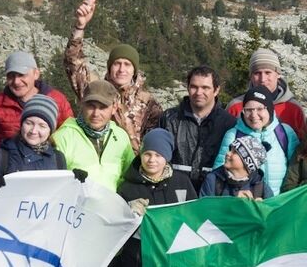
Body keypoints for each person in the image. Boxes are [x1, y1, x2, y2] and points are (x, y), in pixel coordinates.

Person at [64, 0, 162, 153]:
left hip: (131, 167)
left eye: (127, 64)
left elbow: (155, 140)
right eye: (117, 63)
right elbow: (72, 62)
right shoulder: (94, 89)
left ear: (134, 70)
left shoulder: (148, 102)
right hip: (95, 161)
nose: (122, 69)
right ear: (109, 67)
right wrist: (80, 27)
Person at [0, 51, 73, 181]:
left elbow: (70, 140)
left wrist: (72, 177)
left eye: (22, 75)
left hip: (46, 172)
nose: (16, 81)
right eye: (11, 76)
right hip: (6, 174)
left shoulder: (58, 100)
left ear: (36, 74)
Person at [115, 129, 197, 267]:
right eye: (147, 154)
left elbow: (195, 215)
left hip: (176, 256)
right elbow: (117, 224)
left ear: (167, 156)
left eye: (158, 155)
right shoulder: (127, 187)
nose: (152, 160)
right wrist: (128, 210)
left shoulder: (182, 182)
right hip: (139, 258)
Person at [158, 66, 236, 191]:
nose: (199, 92)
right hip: (175, 192)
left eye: (205, 87)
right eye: (194, 87)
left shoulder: (229, 123)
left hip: (213, 195)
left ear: (216, 90)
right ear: (188, 88)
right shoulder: (169, 119)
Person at [213, 86, 299, 196]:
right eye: (248, 110)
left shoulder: (285, 133)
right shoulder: (233, 135)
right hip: (245, 206)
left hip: (278, 206)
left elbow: (295, 172)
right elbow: (218, 176)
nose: (254, 115)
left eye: (260, 109)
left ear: (269, 109)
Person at [52, 80, 135, 192]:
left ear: (114, 108)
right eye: (91, 106)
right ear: (82, 104)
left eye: (103, 107)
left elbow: (130, 177)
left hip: (111, 206)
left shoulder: (121, 137)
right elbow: (54, 182)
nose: (96, 113)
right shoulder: (63, 136)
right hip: (75, 206)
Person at [226, 48, 306, 140]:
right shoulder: (236, 107)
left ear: (278, 74)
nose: (262, 79)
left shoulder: (293, 109)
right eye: (257, 73)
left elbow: (303, 148)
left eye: (268, 73)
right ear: (250, 76)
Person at [0, 94, 67, 179]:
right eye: (29, 123)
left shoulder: (58, 159)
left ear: (50, 130)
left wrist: (75, 181)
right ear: (21, 124)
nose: (33, 131)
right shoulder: (1, 157)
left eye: (42, 126)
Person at [201, 136, 273, 199]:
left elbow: (272, 212)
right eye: (230, 150)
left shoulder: (261, 188)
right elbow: (204, 210)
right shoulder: (213, 180)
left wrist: (260, 207)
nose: (228, 153)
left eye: (235, 152)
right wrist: (234, 202)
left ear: (248, 162)